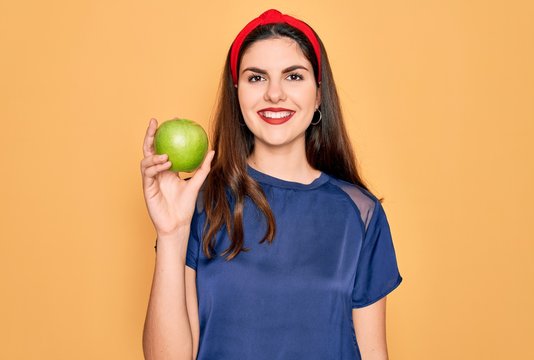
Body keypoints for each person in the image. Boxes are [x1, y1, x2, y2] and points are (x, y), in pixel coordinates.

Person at [141, 8, 403, 360]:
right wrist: (172, 233)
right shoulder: (200, 205)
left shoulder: (360, 214)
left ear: (318, 95)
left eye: (294, 77)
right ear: (238, 94)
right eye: (256, 78)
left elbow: (374, 353)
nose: (275, 94)